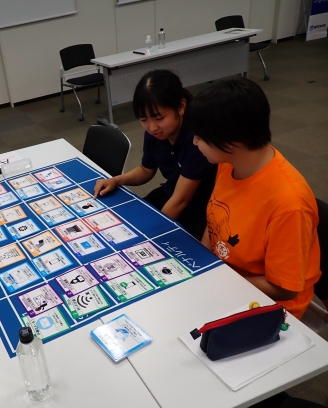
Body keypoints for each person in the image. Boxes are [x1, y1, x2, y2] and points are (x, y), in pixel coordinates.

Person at [185, 77, 320, 319]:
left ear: (232, 139)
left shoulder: (289, 204)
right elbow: (215, 221)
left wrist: (219, 277)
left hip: (268, 305)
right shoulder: (228, 163)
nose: (195, 142)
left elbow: (285, 288)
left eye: (200, 136)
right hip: (224, 277)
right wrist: (204, 263)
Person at [93, 69, 216, 239]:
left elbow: (181, 200)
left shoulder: (197, 138)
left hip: (200, 206)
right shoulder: (157, 133)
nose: (152, 127)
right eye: (144, 120)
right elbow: (146, 169)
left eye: (159, 118)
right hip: (171, 193)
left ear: (181, 106)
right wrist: (116, 180)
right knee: (122, 224)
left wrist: (152, 234)